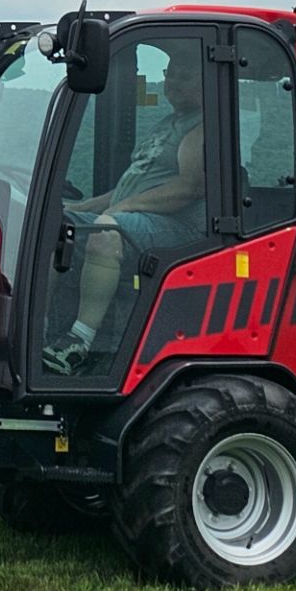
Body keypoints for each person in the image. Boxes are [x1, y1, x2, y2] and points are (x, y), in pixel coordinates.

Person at [43, 47, 207, 376]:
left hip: (180, 229)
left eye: (184, 76)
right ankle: (39, 323)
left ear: (205, 82)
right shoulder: (167, 124)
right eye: (169, 74)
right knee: (51, 225)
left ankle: (80, 340)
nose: (173, 82)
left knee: (106, 231)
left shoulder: (204, 127)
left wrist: (122, 208)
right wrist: (75, 208)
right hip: (141, 218)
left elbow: (189, 187)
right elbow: (125, 188)